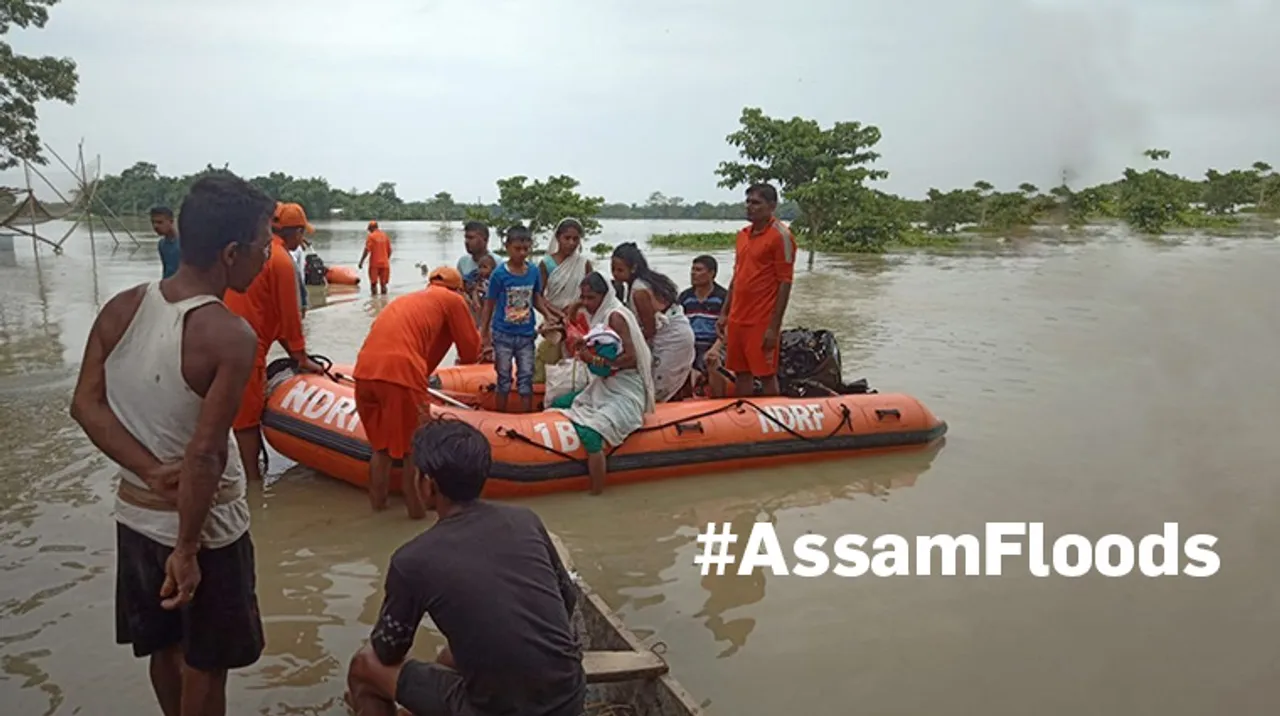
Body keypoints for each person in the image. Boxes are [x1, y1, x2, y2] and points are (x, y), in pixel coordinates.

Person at [69, 175, 274, 716]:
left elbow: (86, 405)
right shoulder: (230, 335)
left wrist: (149, 470)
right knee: (207, 662)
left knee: (163, 646)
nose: (268, 254)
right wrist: (186, 550)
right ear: (232, 254)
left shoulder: (122, 307)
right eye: (264, 243)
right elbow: (206, 454)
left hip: (136, 518)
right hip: (205, 531)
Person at [345, 419, 587, 716]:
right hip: (569, 698)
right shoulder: (525, 520)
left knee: (363, 666)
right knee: (449, 658)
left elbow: (387, 651)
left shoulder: (412, 560)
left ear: (427, 484)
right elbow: (567, 599)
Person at [353, 267, 483, 518]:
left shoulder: (414, 300)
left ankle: (377, 512)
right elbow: (470, 352)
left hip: (364, 371)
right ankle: (417, 519)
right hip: (399, 374)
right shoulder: (453, 300)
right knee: (416, 453)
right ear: (458, 290)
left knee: (381, 450)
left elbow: (424, 352)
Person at [224, 202, 323, 484]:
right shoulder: (281, 261)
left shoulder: (253, 254)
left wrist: (293, 349)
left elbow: (274, 317)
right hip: (245, 348)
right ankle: (253, 483)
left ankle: (242, 473)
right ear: (296, 232)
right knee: (246, 420)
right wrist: (302, 358)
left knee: (228, 412)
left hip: (223, 335)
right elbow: (290, 316)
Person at [551, 273, 655, 495]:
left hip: (624, 389)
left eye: (592, 298)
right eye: (584, 298)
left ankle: (597, 491)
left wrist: (595, 359)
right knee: (558, 403)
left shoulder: (615, 317)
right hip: (605, 384)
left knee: (590, 434)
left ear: (604, 295)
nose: (587, 304)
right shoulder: (599, 315)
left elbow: (631, 358)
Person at [716, 183, 797, 397]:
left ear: (771, 206)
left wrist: (773, 327)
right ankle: (745, 419)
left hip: (761, 319)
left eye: (756, 203)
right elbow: (737, 276)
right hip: (737, 318)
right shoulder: (742, 235)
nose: (750, 207)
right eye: (748, 202)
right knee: (741, 372)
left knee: (766, 374)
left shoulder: (781, 236)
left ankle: (774, 424)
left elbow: (785, 282)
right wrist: (724, 313)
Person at [479, 225, 561, 413]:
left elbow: (537, 299)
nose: (522, 253)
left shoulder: (532, 272)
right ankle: (500, 413)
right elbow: (489, 305)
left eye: (526, 249)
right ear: (507, 247)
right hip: (503, 335)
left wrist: (549, 316)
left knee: (526, 377)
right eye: (517, 249)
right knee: (503, 377)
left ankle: (526, 415)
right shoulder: (499, 275)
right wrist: (484, 334)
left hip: (526, 335)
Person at [610, 242, 695, 403]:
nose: (615, 275)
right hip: (673, 331)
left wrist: (627, 346)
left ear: (633, 268)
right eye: (613, 269)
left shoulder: (639, 291)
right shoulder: (636, 285)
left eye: (620, 270)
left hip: (672, 339)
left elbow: (649, 330)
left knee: (656, 390)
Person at [534, 218, 594, 383]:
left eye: (575, 239)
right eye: (567, 238)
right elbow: (538, 296)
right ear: (558, 238)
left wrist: (575, 307)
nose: (571, 243)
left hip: (579, 318)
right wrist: (557, 314)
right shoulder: (546, 263)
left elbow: (592, 294)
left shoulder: (584, 263)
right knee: (549, 355)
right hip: (554, 319)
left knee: (579, 358)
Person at [678, 254, 729, 389]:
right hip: (690, 343)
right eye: (692, 270)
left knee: (712, 360)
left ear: (712, 273)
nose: (693, 274)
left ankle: (717, 401)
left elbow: (728, 328)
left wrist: (715, 349)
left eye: (699, 270)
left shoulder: (723, 297)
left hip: (714, 343)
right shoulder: (685, 297)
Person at [359, 221, 393, 295]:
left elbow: (367, 250)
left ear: (372, 228)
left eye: (369, 229)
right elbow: (390, 251)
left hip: (375, 264)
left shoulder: (371, 236)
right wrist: (385, 259)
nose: (369, 231)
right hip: (385, 264)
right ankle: (384, 301)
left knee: (373, 284)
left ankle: (374, 302)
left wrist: (361, 261)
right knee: (383, 285)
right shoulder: (385, 236)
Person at [465, 253, 496, 327]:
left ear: (492, 269)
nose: (481, 270)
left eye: (485, 267)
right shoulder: (476, 277)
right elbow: (467, 281)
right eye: (479, 267)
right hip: (478, 299)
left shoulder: (494, 279)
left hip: (488, 300)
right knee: (474, 292)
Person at [152, 206, 181, 279]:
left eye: (160, 222)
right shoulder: (161, 244)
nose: (155, 226)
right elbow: (165, 270)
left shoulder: (186, 242)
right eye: (153, 222)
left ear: (171, 221)